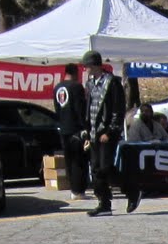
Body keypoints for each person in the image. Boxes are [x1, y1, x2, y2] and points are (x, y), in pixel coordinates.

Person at [81, 50, 138, 216]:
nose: (85, 69)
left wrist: (111, 131)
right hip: (93, 133)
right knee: (97, 169)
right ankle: (104, 203)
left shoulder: (111, 83)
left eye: (87, 66)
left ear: (95, 65)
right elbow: (89, 109)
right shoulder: (90, 84)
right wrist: (86, 131)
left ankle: (132, 190)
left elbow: (117, 110)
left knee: (105, 168)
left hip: (105, 134)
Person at [51, 63, 91, 198]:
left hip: (63, 128)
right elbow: (80, 109)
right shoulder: (76, 87)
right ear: (75, 73)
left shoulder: (57, 88)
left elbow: (57, 109)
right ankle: (79, 190)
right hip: (76, 129)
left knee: (68, 160)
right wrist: (85, 127)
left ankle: (73, 190)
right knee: (79, 160)